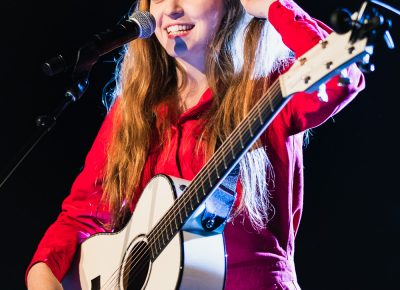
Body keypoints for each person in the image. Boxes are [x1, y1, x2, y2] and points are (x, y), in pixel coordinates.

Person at [26, 0, 365, 289]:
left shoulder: (271, 89)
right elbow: (82, 216)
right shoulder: (135, 112)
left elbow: (341, 75)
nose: (172, 9)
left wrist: (273, 6)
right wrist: (43, 273)